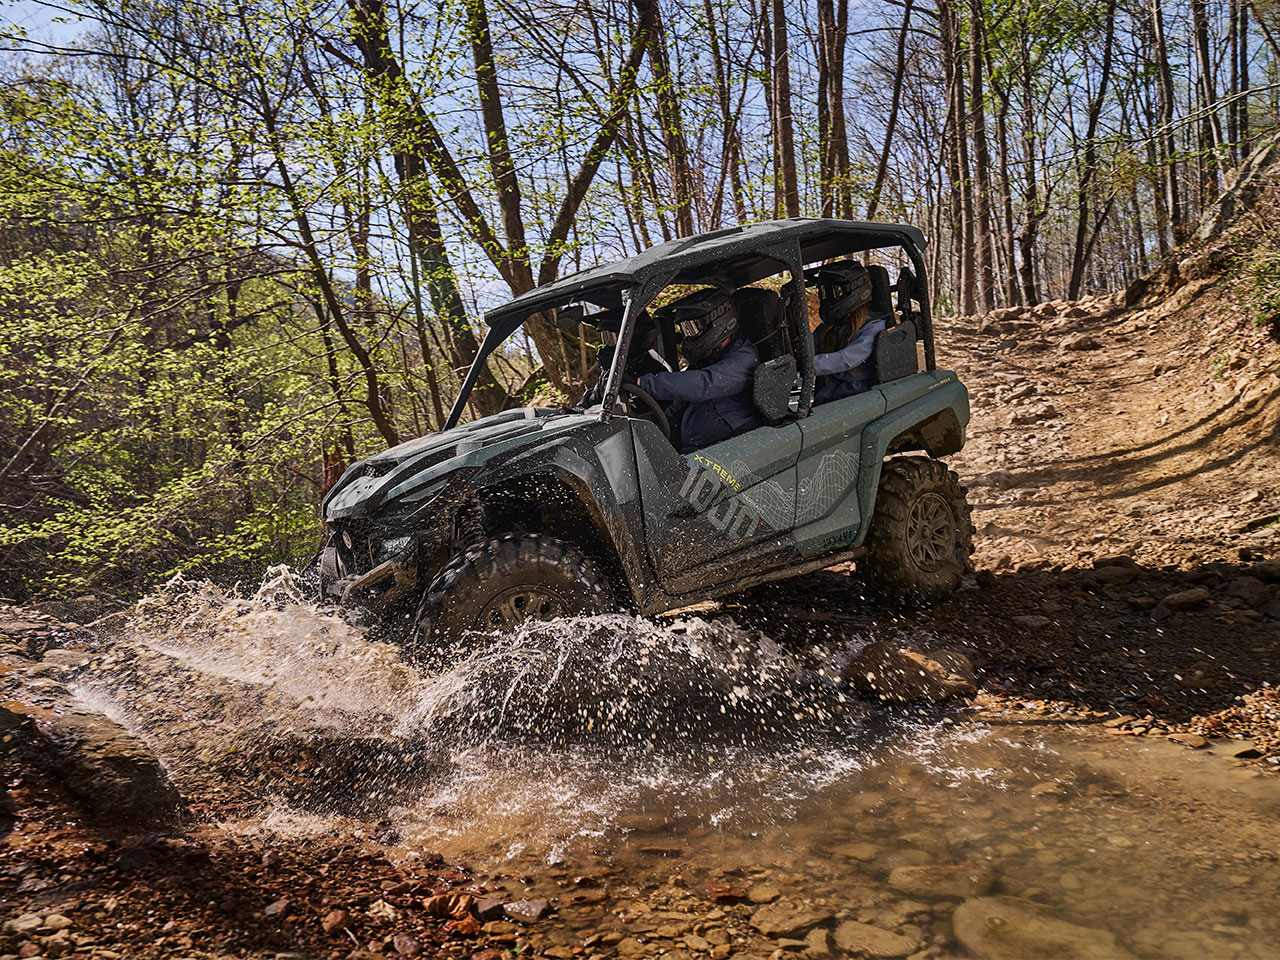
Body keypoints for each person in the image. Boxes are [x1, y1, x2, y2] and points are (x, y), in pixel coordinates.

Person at [634, 288, 762, 453]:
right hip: (698, 453)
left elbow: (705, 384)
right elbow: (676, 409)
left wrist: (644, 383)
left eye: (692, 328)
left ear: (718, 321)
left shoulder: (744, 358)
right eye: (685, 330)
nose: (687, 338)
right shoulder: (704, 363)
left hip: (734, 451)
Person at [811, 261, 889, 404]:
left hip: (857, 403)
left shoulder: (873, 328)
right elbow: (806, 349)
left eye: (834, 292)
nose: (827, 299)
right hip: (826, 401)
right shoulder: (827, 330)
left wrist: (807, 365)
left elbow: (846, 359)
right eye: (823, 293)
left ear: (854, 290)